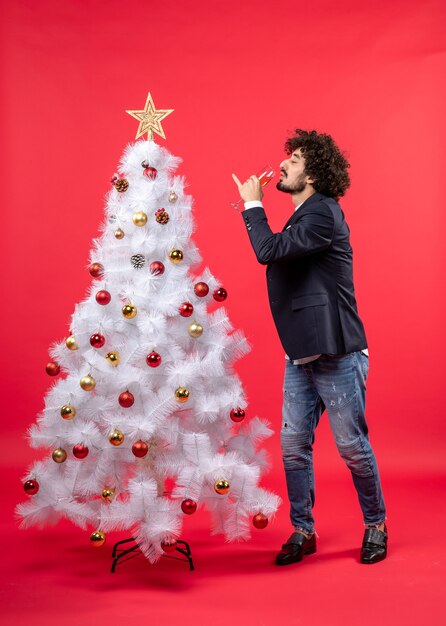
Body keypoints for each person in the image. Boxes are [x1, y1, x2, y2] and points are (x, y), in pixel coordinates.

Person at [232, 129, 387, 565]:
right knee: (293, 445)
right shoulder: (304, 215)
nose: (284, 164)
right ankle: (304, 530)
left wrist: (252, 203)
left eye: (295, 160)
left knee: (351, 446)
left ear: (314, 173)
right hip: (301, 353)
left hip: (337, 352)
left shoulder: (323, 214)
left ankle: (376, 524)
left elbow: (269, 250)